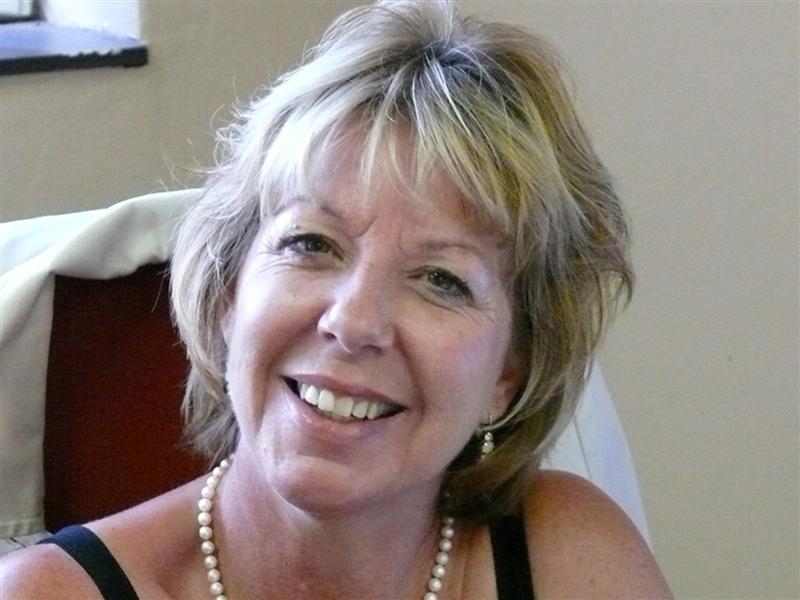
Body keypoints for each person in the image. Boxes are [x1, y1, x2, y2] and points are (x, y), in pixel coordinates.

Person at [1, 1, 672, 598]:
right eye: (312, 244)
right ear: (230, 291)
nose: (353, 321)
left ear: (509, 372)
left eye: (441, 280)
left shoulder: (571, 557)